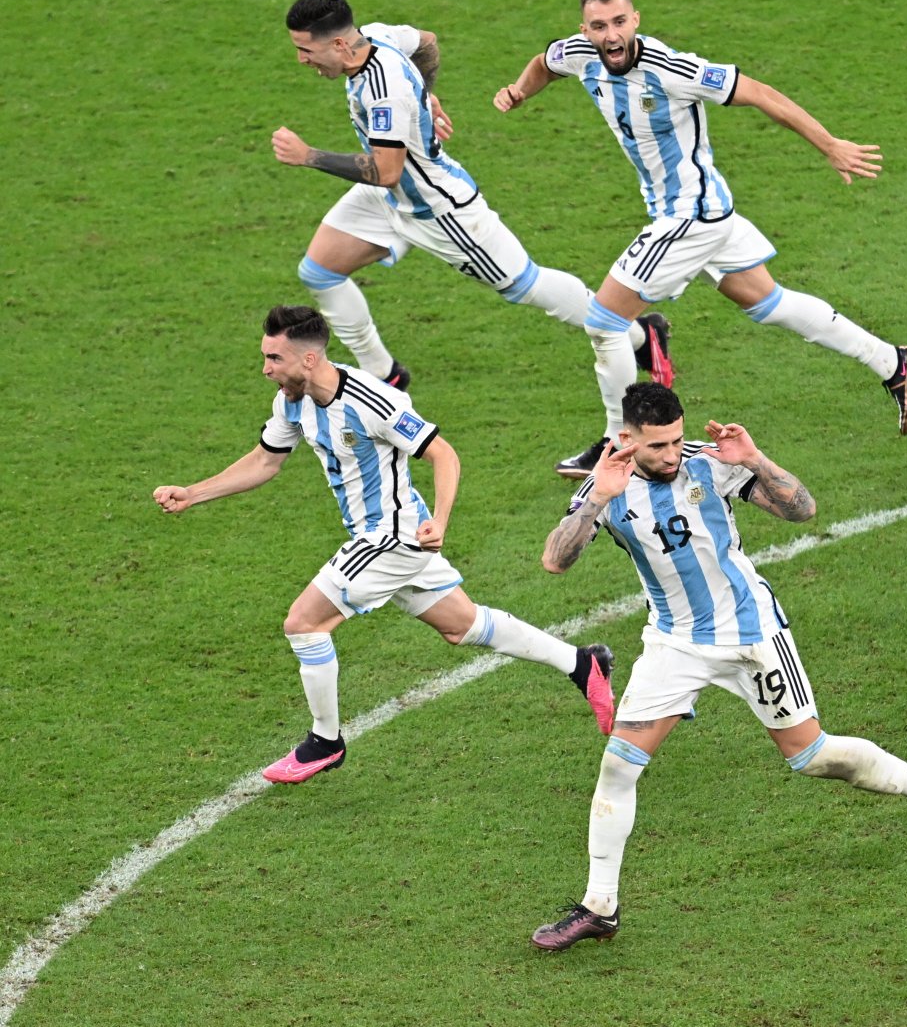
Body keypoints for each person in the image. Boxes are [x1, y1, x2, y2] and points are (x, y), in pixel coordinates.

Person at [528, 383, 907, 949]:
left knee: (812, 757)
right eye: (657, 446)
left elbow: (803, 510)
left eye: (677, 441)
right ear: (627, 439)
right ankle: (600, 906)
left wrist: (756, 459)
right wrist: (597, 499)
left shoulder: (711, 466)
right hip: (673, 644)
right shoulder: (605, 487)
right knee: (618, 767)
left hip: (752, 635)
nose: (670, 455)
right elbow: (554, 562)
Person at [152, 306, 614, 782]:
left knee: (304, 623)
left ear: (309, 359)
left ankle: (324, 742)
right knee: (462, 625)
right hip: (377, 535)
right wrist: (194, 493)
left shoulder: (372, 400)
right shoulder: (291, 400)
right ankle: (583, 664)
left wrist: (441, 520)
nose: (266, 368)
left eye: (274, 358)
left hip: (394, 535)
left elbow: (443, 454)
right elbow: (265, 462)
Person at [492, 0, 907, 476]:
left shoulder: (672, 69)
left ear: (635, 20)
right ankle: (893, 362)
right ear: (583, 29)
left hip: (691, 215)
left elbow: (760, 93)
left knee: (604, 320)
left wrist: (828, 144)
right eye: (598, 26)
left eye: (618, 22)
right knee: (769, 302)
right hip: (702, 211)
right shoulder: (579, 53)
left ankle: (618, 448)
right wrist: (520, 92)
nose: (609, 35)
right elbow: (545, 63)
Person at [274, 0, 670, 419]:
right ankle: (382, 374)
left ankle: (637, 334)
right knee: (319, 271)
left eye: (305, 50)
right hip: (390, 197)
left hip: (439, 211)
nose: (301, 60)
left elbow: (386, 169)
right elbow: (426, 41)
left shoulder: (382, 89)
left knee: (526, 285)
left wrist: (308, 155)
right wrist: (424, 98)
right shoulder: (376, 35)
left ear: (337, 44)